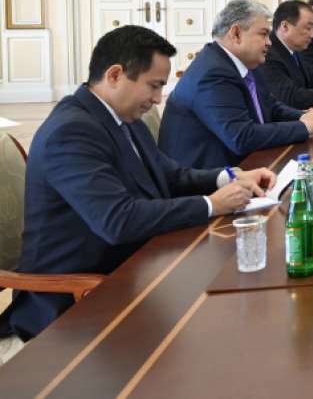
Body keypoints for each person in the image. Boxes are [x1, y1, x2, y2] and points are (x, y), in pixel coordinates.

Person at [0, 26, 275, 341]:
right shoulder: (70, 132)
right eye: (154, 86)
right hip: (75, 299)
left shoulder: (119, 116)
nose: (157, 99)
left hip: (133, 267)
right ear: (115, 75)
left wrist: (229, 176)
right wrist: (212, 205)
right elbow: (118, 220)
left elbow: (169, 175)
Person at [160, 0, 313, 169]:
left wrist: (306, 116)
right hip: (209, 177)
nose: (269, 42)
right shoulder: (213, 73)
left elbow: (271, 107)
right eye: (263, 34)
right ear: (236, 33)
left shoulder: (245, 63)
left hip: (244, 165)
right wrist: (304, 126)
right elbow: (242, 137)